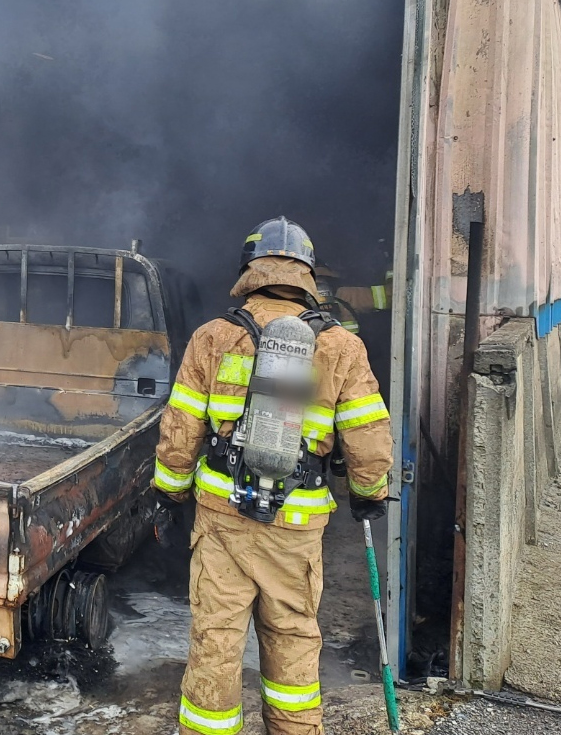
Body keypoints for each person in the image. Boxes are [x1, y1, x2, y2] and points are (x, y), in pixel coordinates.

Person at [152, 217, 393, 735]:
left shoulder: (214, 338)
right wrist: (370, 494)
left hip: (223, 520)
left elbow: (181, 427)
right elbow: (369, 436)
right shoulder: (340, 347)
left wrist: (169, 492)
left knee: (216, 644)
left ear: (249, 271)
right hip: (296, 526)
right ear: (307, 274)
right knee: (293, 641)